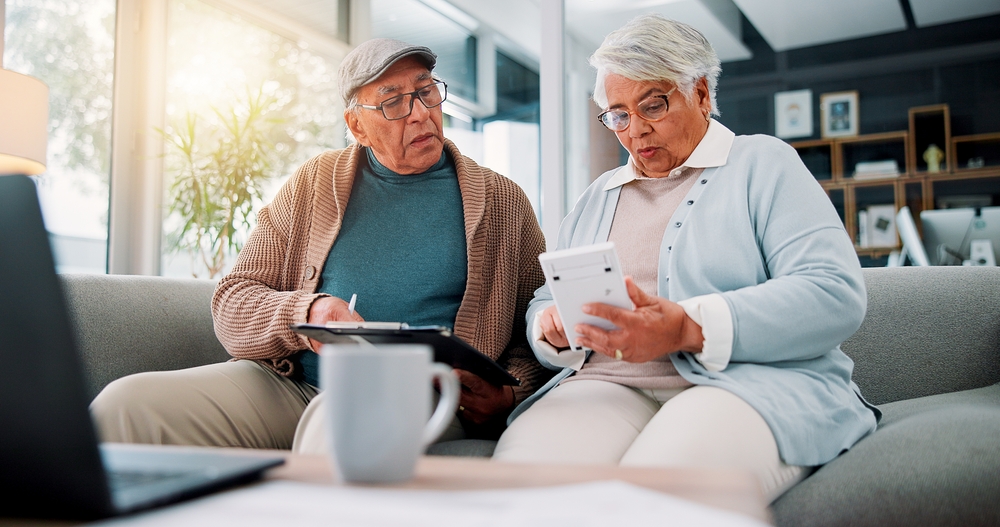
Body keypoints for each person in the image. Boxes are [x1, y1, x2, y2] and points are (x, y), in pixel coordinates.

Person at [91, 38, 550, 450]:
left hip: (421, 397)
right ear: (357, 126)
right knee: (126, 405)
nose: (418, 112)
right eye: (392, 102)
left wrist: (512, 392)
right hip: (290, 385)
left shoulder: (502, 201)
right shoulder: (315, 183)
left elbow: (539, 322)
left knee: (340, 424)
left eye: (425, 91)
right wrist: (307, 313)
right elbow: (233, 301)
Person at [491, 14, 880, 501]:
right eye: (618, 115)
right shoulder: (598, 196)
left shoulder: (762, 163)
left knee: (657, 497)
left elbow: (833, 293)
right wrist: (549, 326)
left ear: (700, 94)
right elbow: (547, 298)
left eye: (652, 105)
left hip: (739, 384)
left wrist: (686, 328)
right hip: (605, 382)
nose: (635, 130)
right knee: (520, 489)